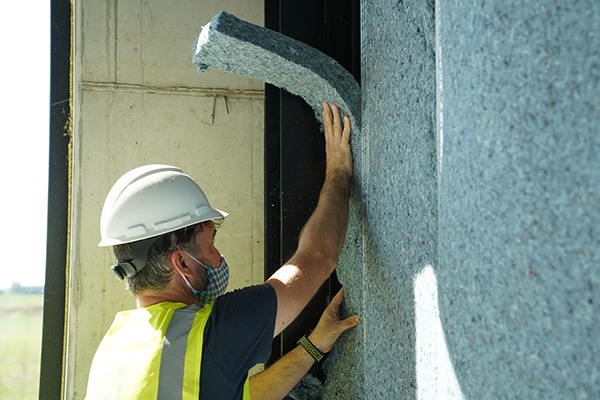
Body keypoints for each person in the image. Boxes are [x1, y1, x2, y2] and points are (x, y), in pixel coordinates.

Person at [85, 103, 356, 400]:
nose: (217, 258)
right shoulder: (207, 335)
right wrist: (338, 172)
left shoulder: (112, 354)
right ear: (181, 263)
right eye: (210, 243)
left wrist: (314, 344)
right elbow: (319, 255)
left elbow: (238, 394)